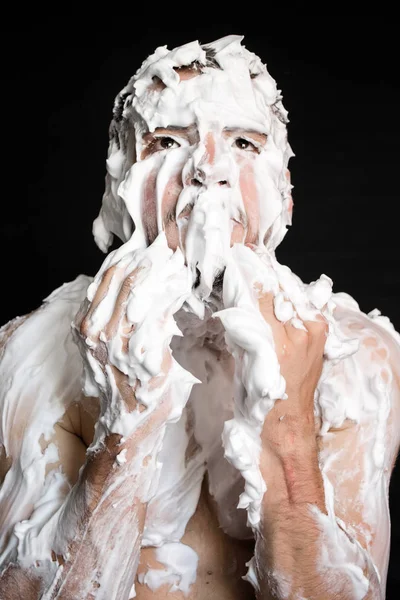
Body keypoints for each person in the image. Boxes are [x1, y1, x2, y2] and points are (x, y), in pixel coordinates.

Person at [0, 34, 399, 600]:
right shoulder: (29, 355)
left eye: (242, 142)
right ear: (117, 188)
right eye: (166, 141)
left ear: (284, 192)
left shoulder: (361, 360)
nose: (207, 169)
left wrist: (287, 432)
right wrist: (125, 426)